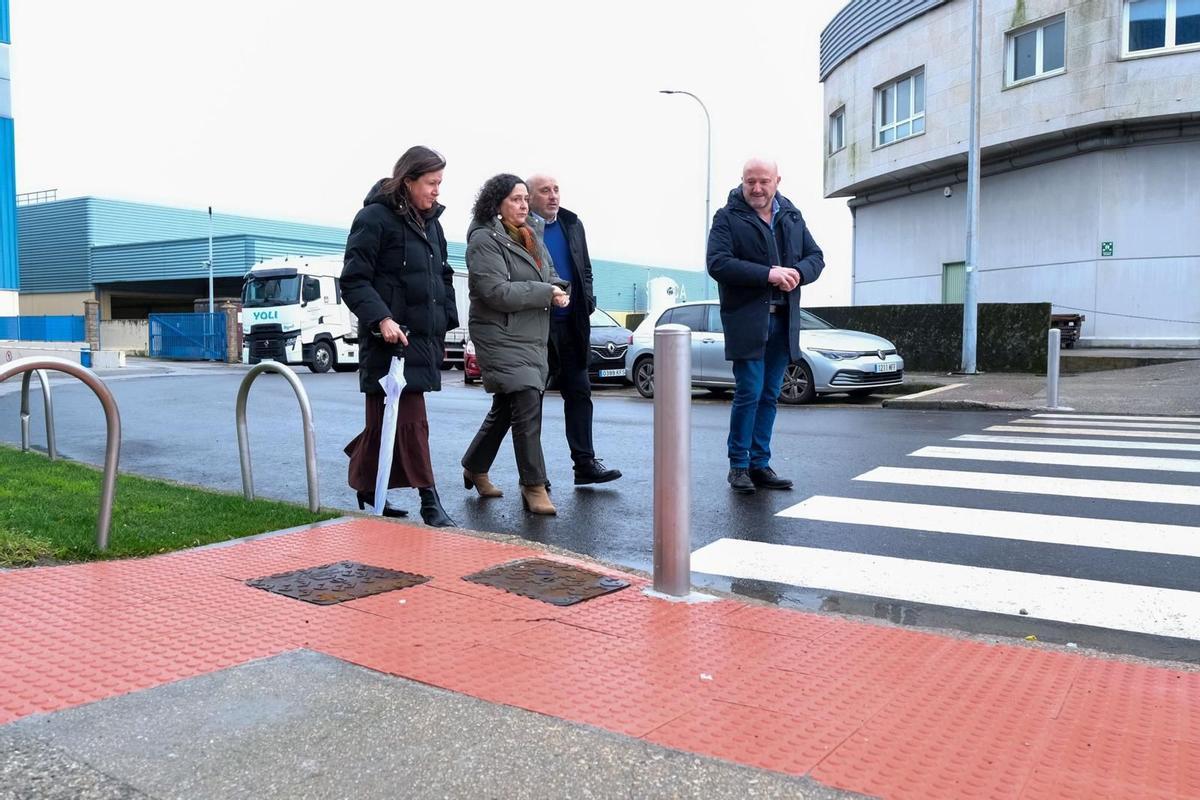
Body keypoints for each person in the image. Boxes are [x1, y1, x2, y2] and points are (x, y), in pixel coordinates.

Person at [340, 145, 457, 527]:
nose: (437, 191)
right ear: (408, 181)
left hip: (422, 338)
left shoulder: (432, 224)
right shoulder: (373, 219)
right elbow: (354, 280)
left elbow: (442, 275)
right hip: (388, 341)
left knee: (385, 425)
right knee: (412, 422)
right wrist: (382, 319)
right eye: (431, 183)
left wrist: (445, 321)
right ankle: (430, 501)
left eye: (440, 183)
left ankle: (367, 485)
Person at [707, 158, 824, 494]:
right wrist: (768, 274)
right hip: (747, 321)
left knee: (770, 394)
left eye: (763, 181)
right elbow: (718, 263)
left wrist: (798, 272)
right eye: (750, 182)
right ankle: (738, 465)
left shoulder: (792, 215)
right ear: (742, 181)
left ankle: (760, 464)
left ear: (777, 181)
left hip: (784, 320)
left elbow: (816, 257)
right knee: (749, 391)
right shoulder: (727, 217)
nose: (756, 188)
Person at [461, 174, 569, 515]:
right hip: (500, 334)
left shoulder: (531, 234)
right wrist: (545, 292)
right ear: (497, 204)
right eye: (515, 199)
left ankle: (475, 466)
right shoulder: (483, 239)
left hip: (530, 334)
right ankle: (534, 485)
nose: (524, 205)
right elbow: (495, 292)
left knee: (507, 409)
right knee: (526, 404)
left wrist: (558, 287)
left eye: (525, 199)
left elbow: (547, 273)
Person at [527, 174, 622, 486]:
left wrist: (588, 300)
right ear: (529, 197)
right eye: (545, 191)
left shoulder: (572, 224)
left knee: (580, 392)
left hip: (572, 325)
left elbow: (586, 269)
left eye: (556, 190)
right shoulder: (521, 228)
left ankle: (584, 464)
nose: (553, 196)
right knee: (531, 402)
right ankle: (535, 476)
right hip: (537, 327)